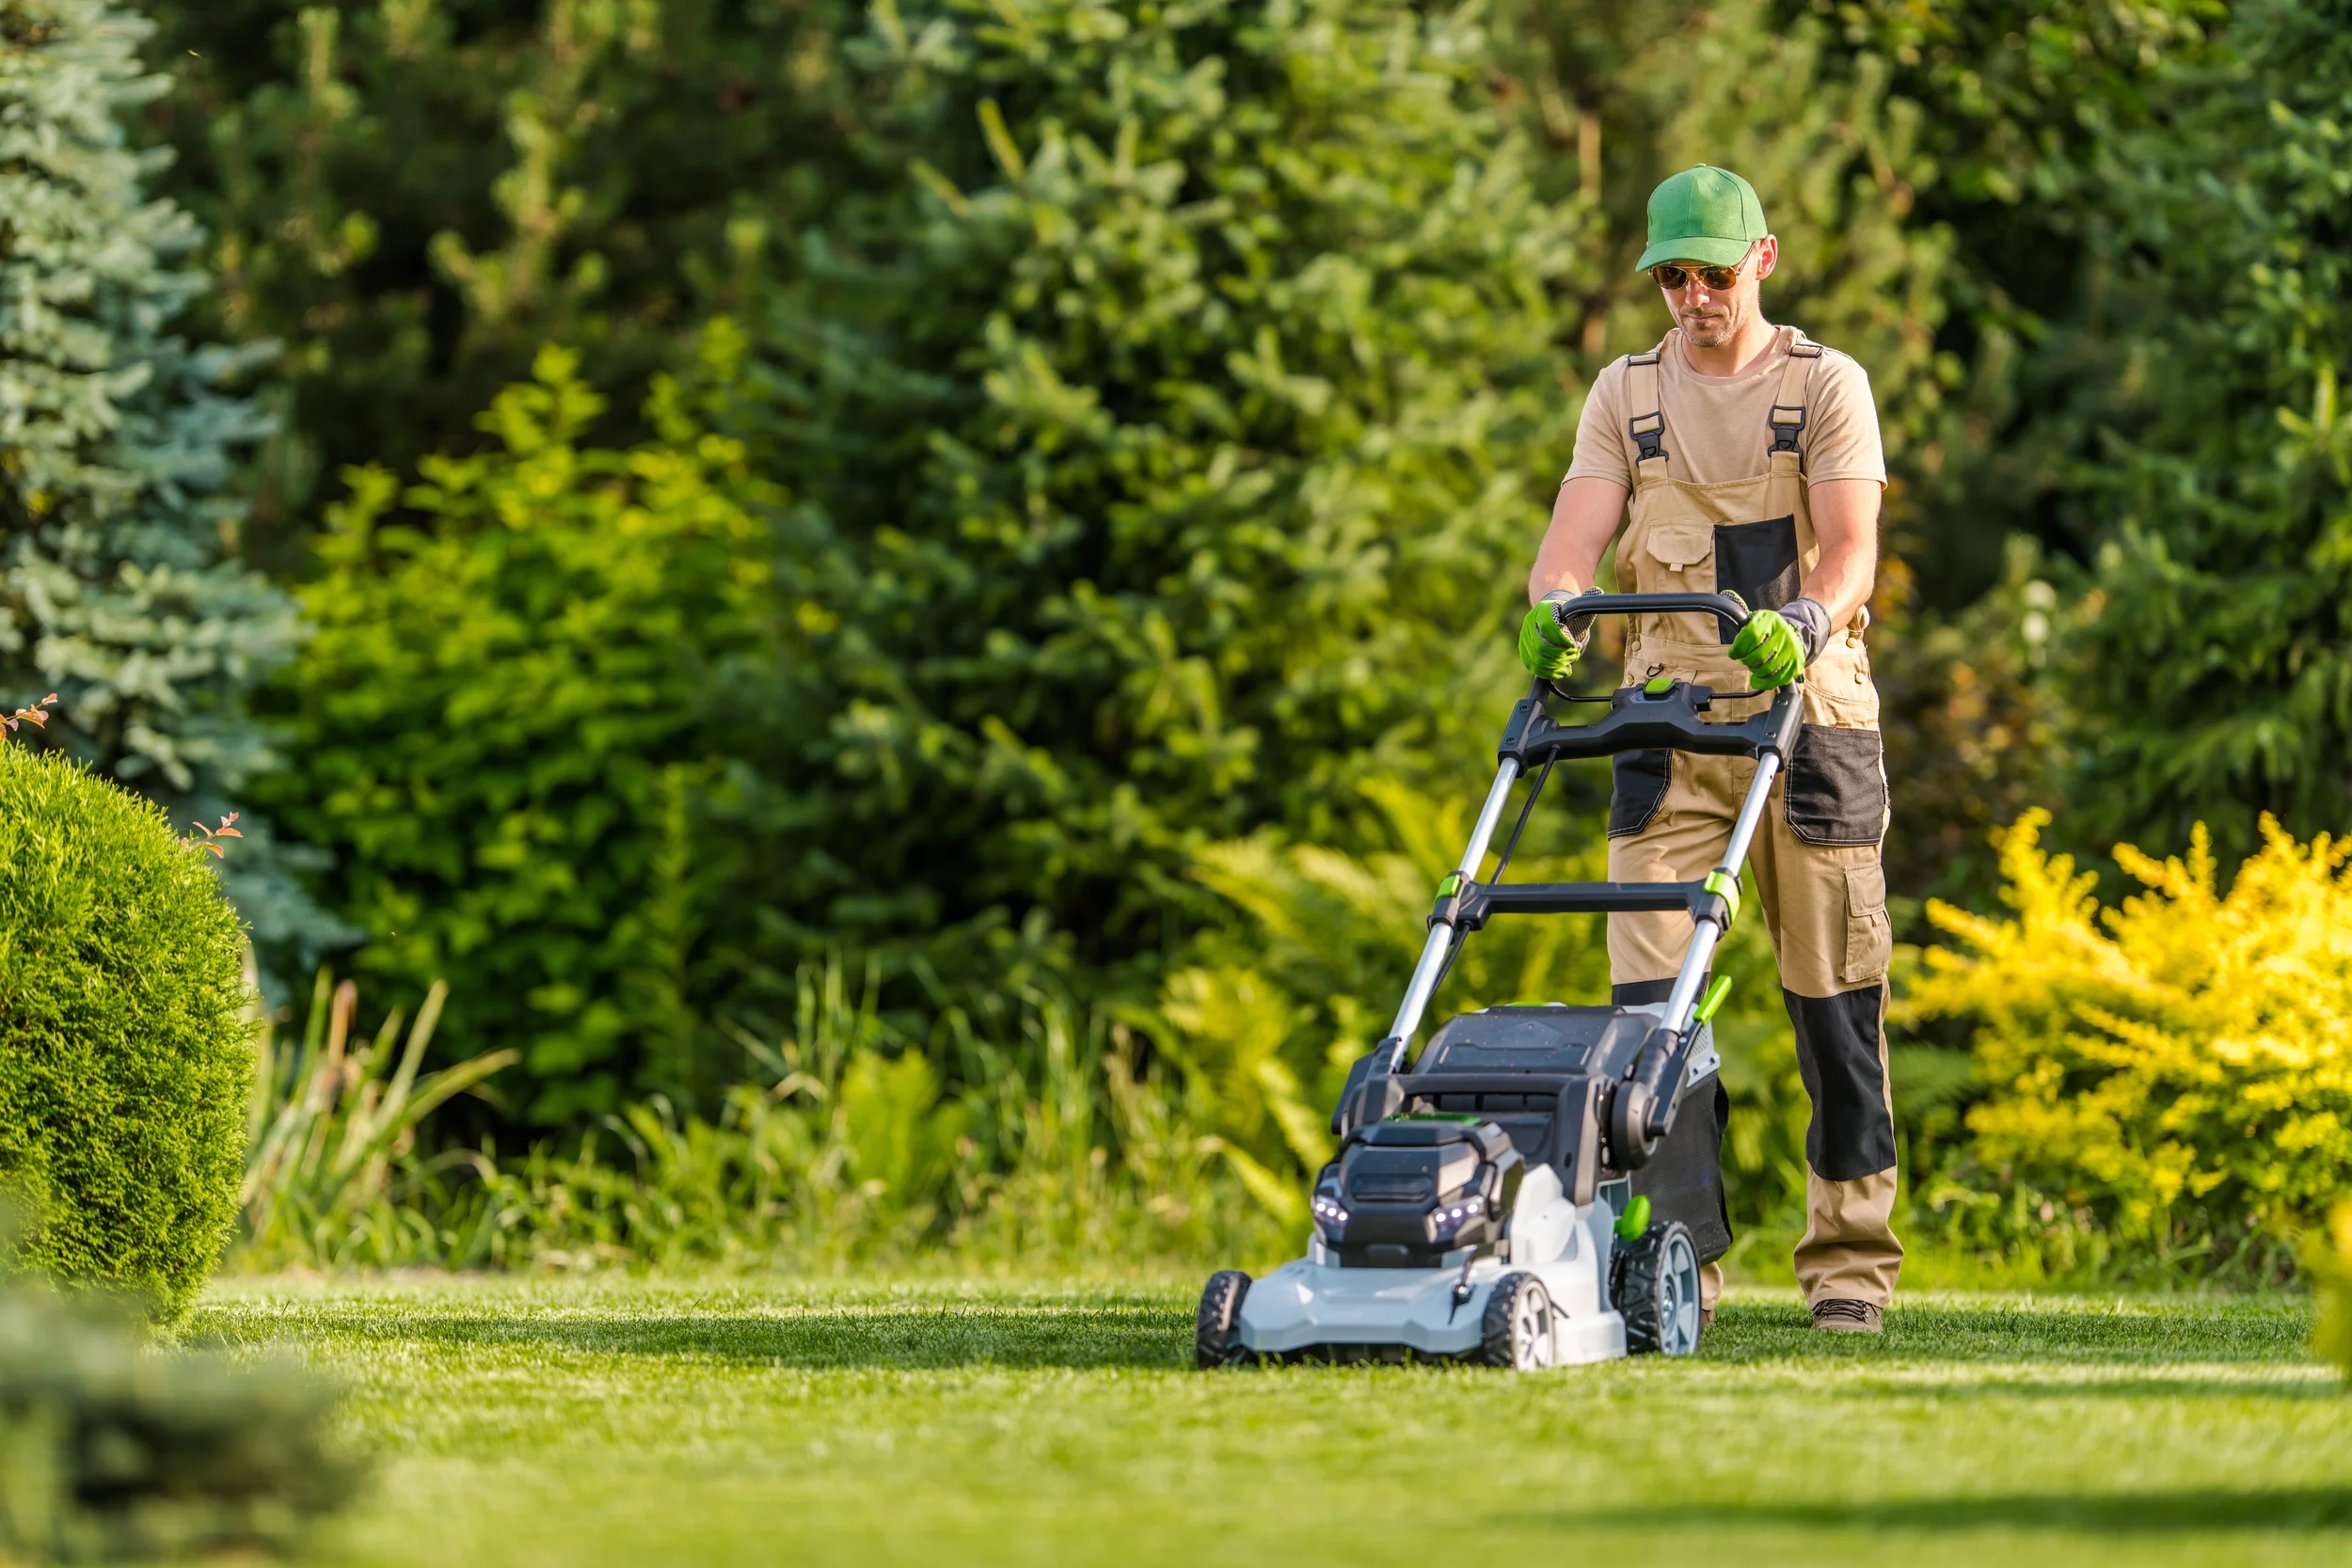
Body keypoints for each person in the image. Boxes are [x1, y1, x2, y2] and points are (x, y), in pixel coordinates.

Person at [1518, 165, 1899, 1334]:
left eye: (1712, 273)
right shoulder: (1625, 396)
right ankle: (1679, 1262)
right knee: (1651, 1017)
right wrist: (1554, 605)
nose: (1692, 295)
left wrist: (1803, 619)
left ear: (1762, 261)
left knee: (1831, 1006)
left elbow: (1848, 551)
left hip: (1806, 725)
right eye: (1672, 275)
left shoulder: (1825, 384)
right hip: (1665, 732)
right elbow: (1570, 543)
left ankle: (1847, 1265)